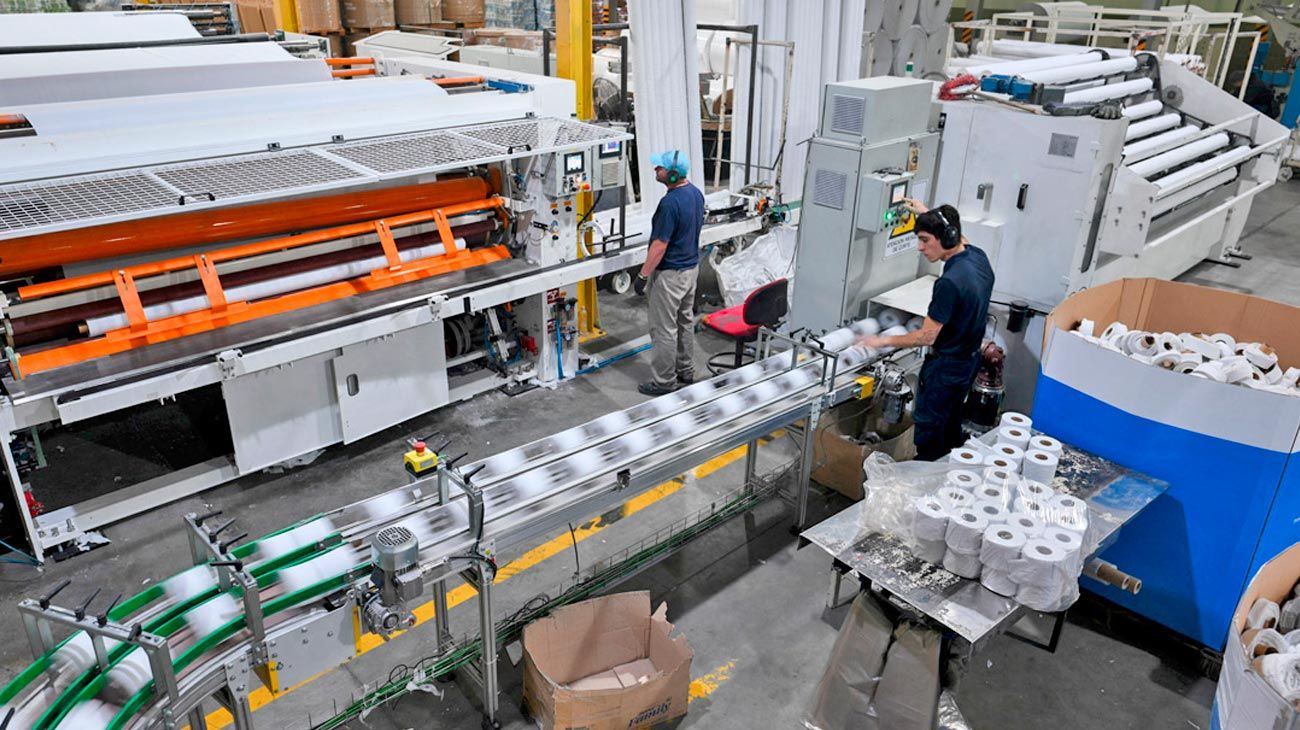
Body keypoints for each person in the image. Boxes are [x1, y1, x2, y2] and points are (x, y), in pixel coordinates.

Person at [858, 200, 995, 461]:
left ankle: (927, 472)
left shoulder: (949, 283)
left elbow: (926, 336)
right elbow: (959, 236)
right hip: (969, 362)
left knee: (930, 431)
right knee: (951, 422)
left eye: (924, 240)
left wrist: (879, 341)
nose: (920, 248)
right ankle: (951, 464)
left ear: (946, 237)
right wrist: (926, 214)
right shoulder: (978, 258)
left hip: (946, 369)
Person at [635, 149, 705, 396]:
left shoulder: (669, 203)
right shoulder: (695, 193)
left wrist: (643, 275)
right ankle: (686, 370)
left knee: (663, 329)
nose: (656, 170)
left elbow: (659, 245)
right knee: (685, 321)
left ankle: (664, 382)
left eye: (660, 168)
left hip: (670, 276)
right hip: (691, 270)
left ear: (673, 175)